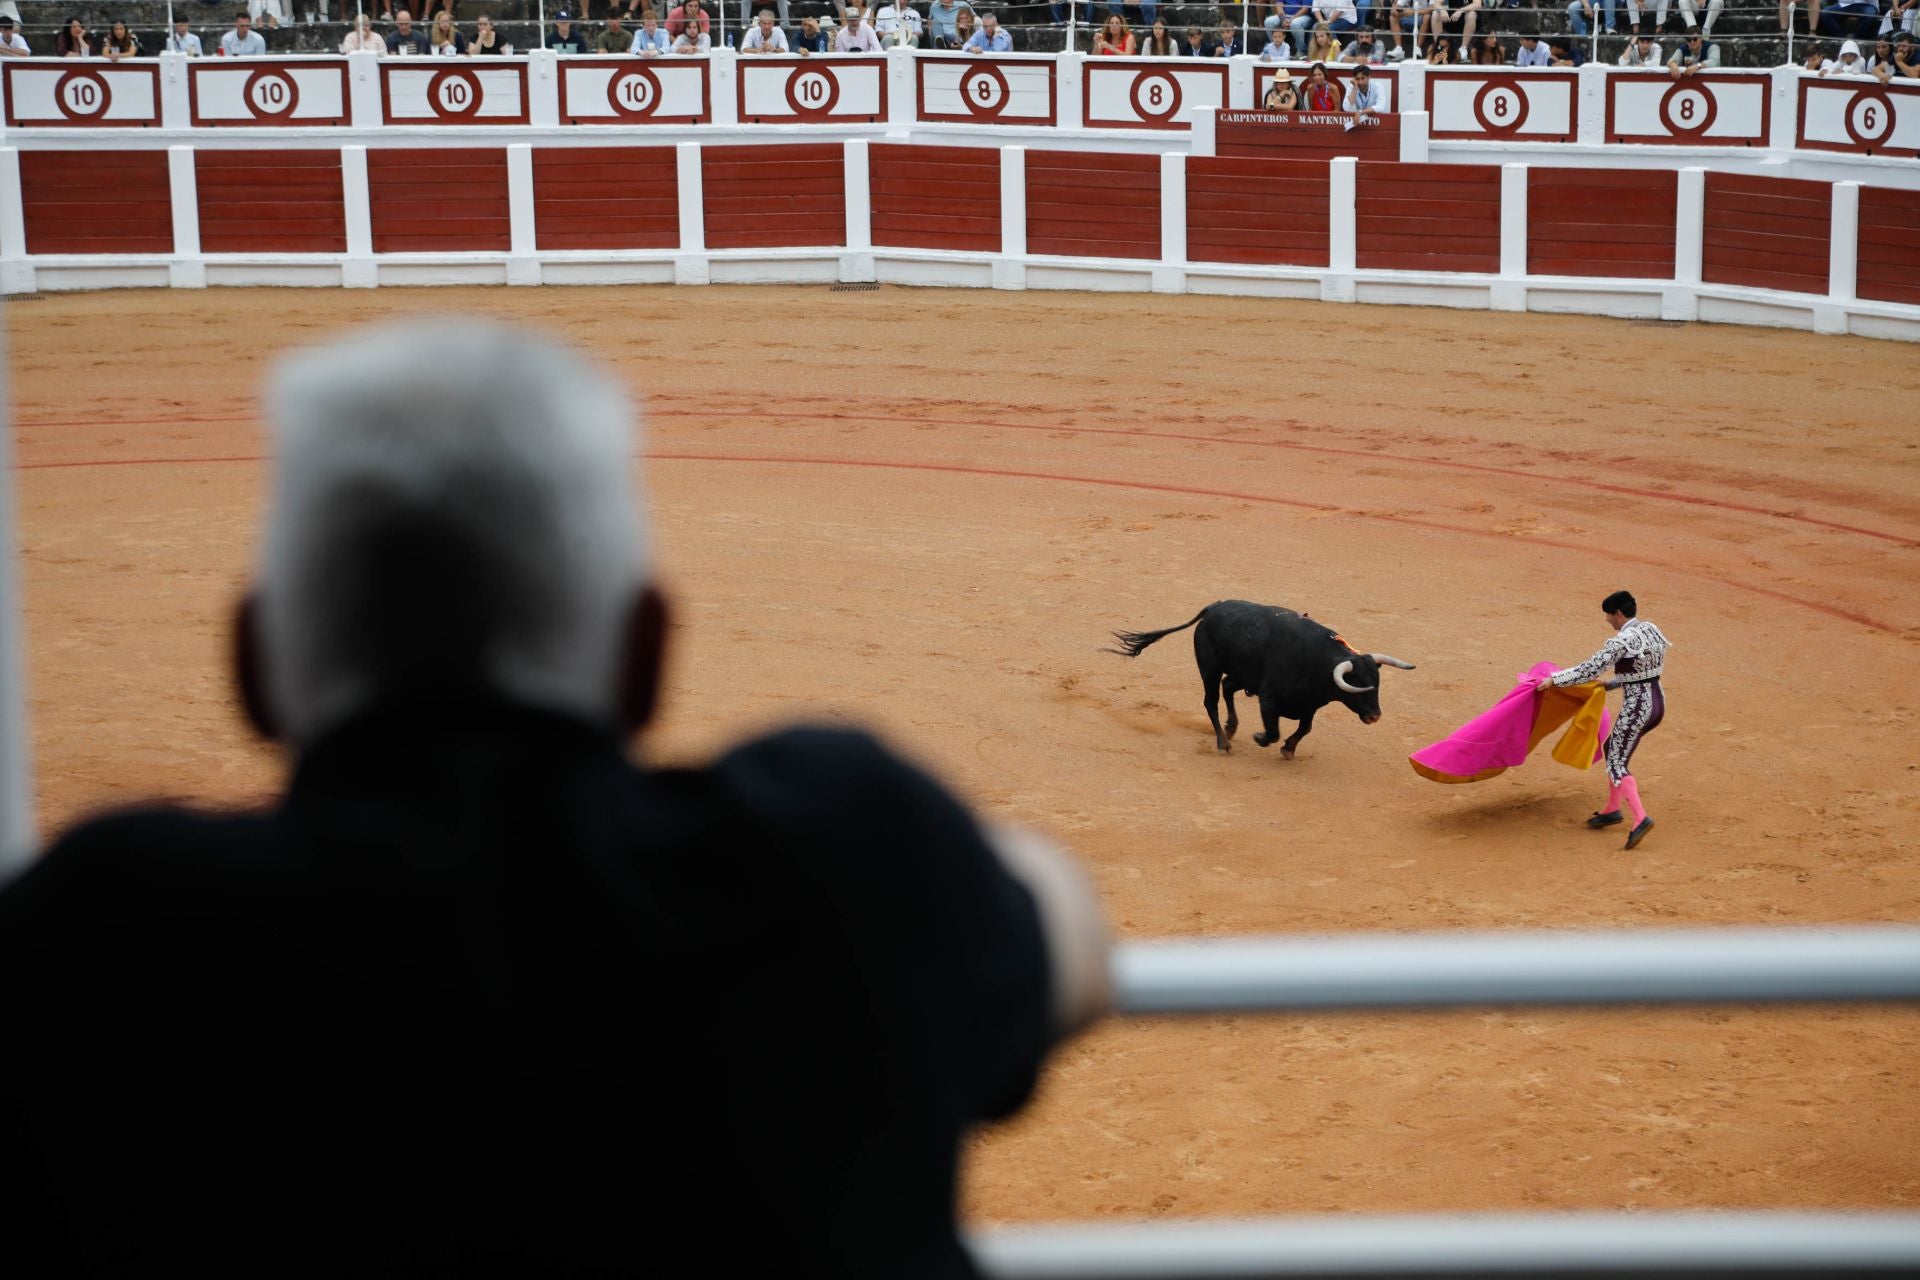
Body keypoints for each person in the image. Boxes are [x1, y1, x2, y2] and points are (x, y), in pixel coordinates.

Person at [0, 320, 1113, 1277]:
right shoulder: (838, 847)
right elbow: (1070, 937)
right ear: (645, 654)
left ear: (253, 664)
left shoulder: (103, 932)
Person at [1536, 590, 1670, 851]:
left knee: (1617, 762)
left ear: (1619, 613)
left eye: (1609, 615)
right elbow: (1641, 670)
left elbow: (1589, 669)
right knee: (1613, 749)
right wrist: (1610, 686)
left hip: (1637, 708)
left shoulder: (1620, 641)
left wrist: (1555, 680)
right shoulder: (1651, 630)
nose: (1608, 620)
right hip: (1657, 704)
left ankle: (1640, 818)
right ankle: (1612, 809)